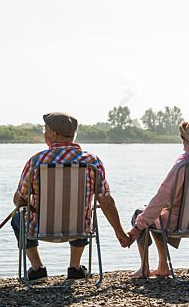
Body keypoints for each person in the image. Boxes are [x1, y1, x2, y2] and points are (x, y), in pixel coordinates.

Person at [12, 111, 130, 281]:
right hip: (79, 227)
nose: (44, 133)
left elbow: (19, 199)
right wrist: (119, 232)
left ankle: (37, 269)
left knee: (18, 218)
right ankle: (75, 268)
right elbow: (106, 200)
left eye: (44, 129)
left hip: (40, 228)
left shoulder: (36, 161)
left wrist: (26, 201)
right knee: (84, 210)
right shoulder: (92, 162)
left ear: (53, 134)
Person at [123, 119, 189, 278]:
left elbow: (162, 197)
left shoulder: (184, 165)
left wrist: (136, 228)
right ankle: (162, 266)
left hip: (178, 223)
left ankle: (145, 268)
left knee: (143, 213)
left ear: (186, 140)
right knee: (156, 214)